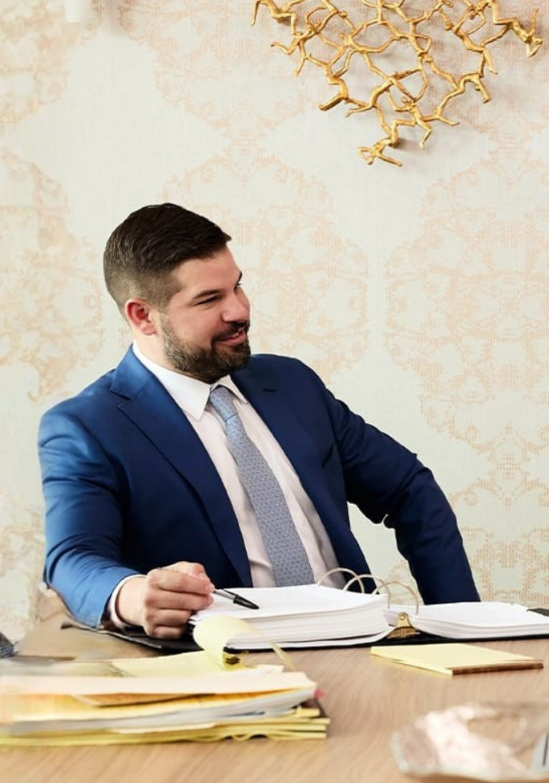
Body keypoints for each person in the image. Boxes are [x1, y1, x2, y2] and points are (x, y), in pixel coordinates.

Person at [39, 203, 479, 638]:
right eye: (210, 299)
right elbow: (73, 558)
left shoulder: (292, 385)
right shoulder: (88, 427)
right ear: (142, 316)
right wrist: (133, 595)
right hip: (226, 672)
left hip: (359, 644)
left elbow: (409, 488)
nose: (239, 311)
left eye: (238, 287)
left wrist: (460, 625)